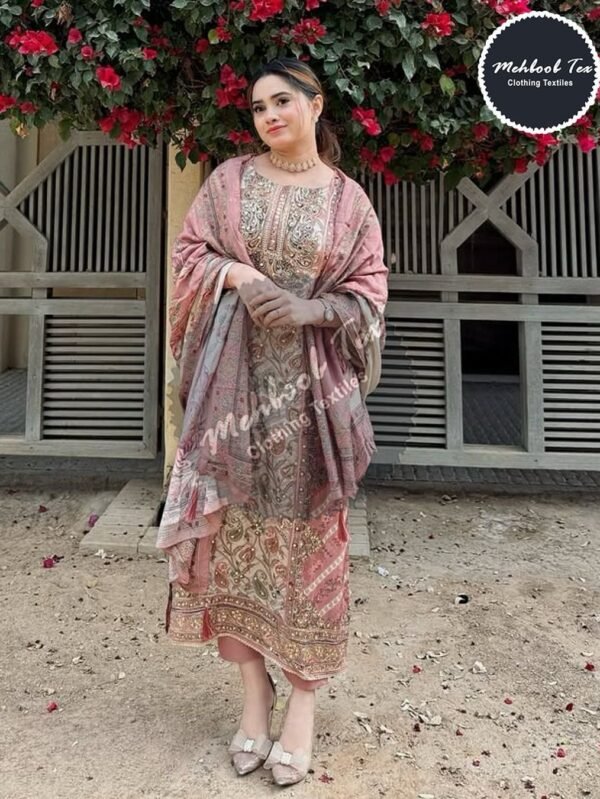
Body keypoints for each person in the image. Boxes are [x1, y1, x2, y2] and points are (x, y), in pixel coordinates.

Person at [156, 56, 388, 786]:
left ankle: (303, 707)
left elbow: (369, 295)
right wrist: (239, 273)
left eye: (282, 101)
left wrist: (312, 308)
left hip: (312, 409)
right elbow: (190, 255)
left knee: (312, 549)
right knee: (235, 545)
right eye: (258, 107)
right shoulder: (227, 183)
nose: (269, 116)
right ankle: (254, 701)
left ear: (316, 105)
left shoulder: (349, 202)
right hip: (233, 402)